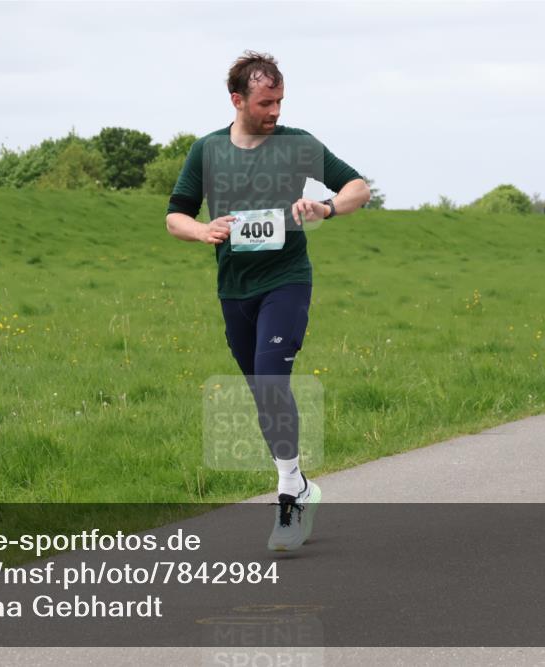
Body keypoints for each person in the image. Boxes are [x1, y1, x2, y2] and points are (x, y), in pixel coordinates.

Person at [165, 51, 371, 551]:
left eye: (279, 100)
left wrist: (325, 206)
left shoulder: (298, 145)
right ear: (237, 99)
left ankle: (286, 498)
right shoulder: (207, 151)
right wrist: (201, 231)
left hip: (287, 280)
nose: (275, 111)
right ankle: (298, 480)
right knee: (260, 389)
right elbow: (175, 215)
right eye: (265, 102)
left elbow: (358, 188)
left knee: (273, 376)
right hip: (234, 288)